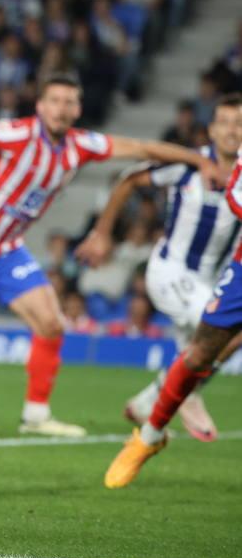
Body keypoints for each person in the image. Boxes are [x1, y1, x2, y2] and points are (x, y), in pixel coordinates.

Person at [0, 74, 225, 436]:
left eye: (69, 102)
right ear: (40, 106)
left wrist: (198, 161)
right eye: (55, 101)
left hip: (7, 251)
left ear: (78, 109)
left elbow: (141, 149)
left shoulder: (81, 145)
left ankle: (36, 416)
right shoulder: (16, 134)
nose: (61, 108)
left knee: (51, 324)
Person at [77, 93, 242, 441]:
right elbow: (129, 180)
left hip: (209, 280)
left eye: (239, 124)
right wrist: (102, 233)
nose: (232, 130)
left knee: (203, 351)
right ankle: (186, 395)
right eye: (225, 123)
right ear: (212, 130)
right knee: (225, 334)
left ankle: (150, 400)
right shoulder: (189, 166)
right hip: (170, 272)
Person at [104, 149, 242, 488]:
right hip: (205, 273)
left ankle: (161, 398)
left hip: (206, 277)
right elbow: (236, 196)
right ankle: (149, 437)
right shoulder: (191, 165)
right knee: (199, 354)